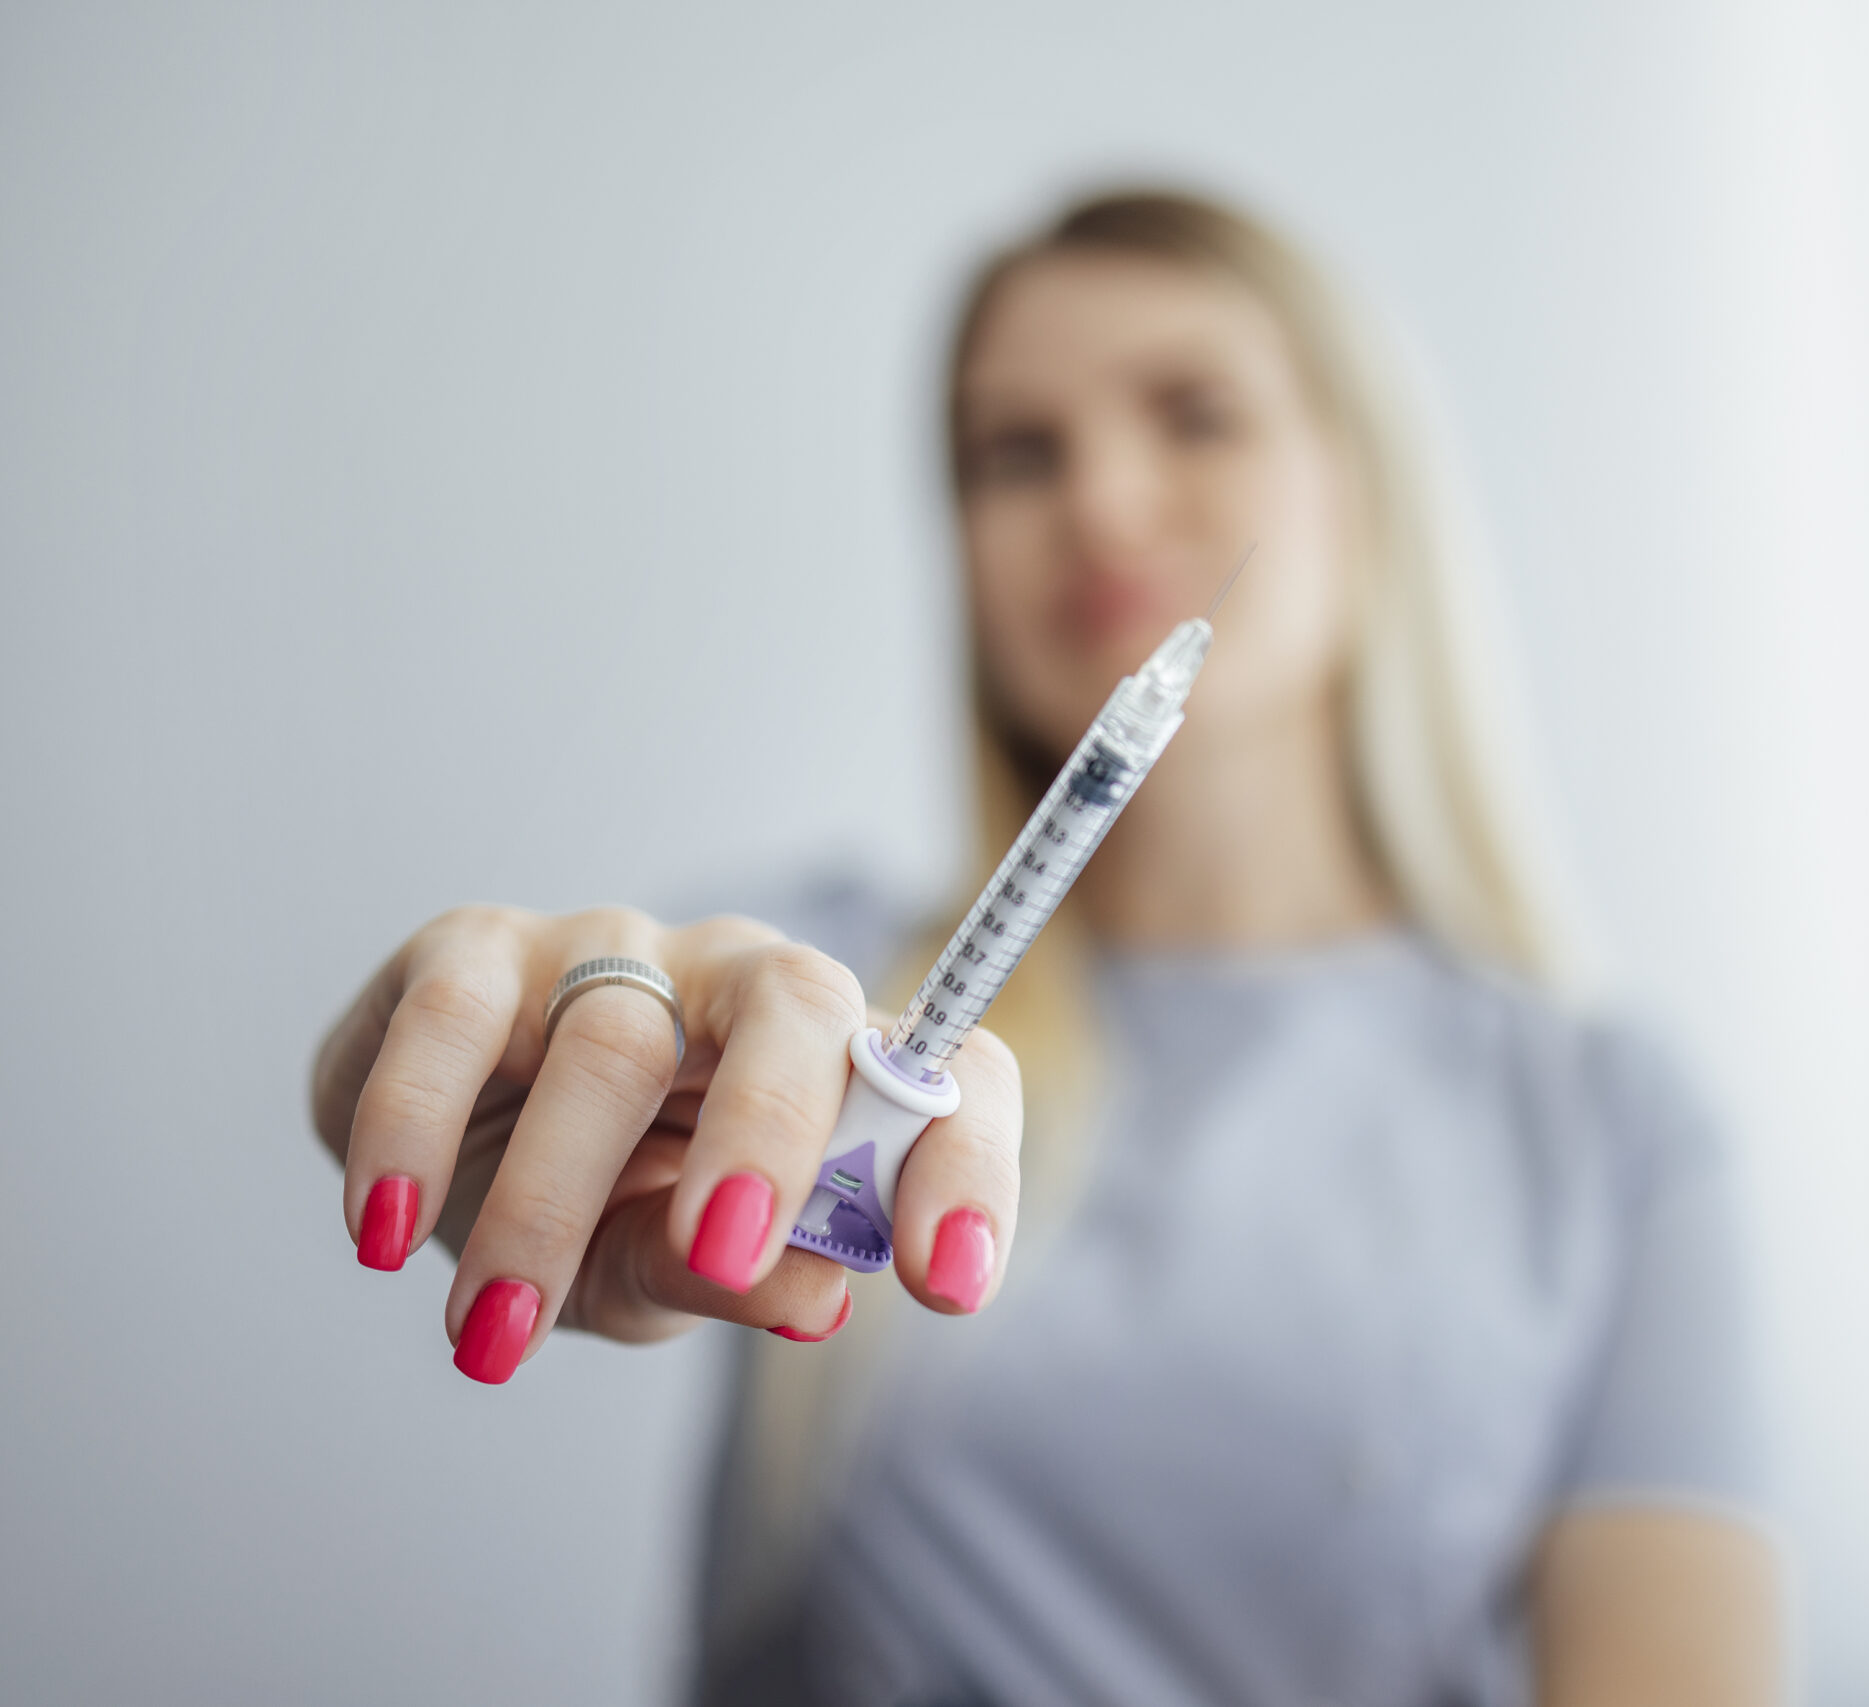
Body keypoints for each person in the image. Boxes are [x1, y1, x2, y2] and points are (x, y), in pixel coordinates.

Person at [310, 189, 1780, 1706]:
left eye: (1196, 414)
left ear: (1370, 488)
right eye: (1017, 453)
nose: (1102, 503)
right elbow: (515, 1076)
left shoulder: (1608, 1122)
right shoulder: (826, 991)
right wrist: (469, 1065)